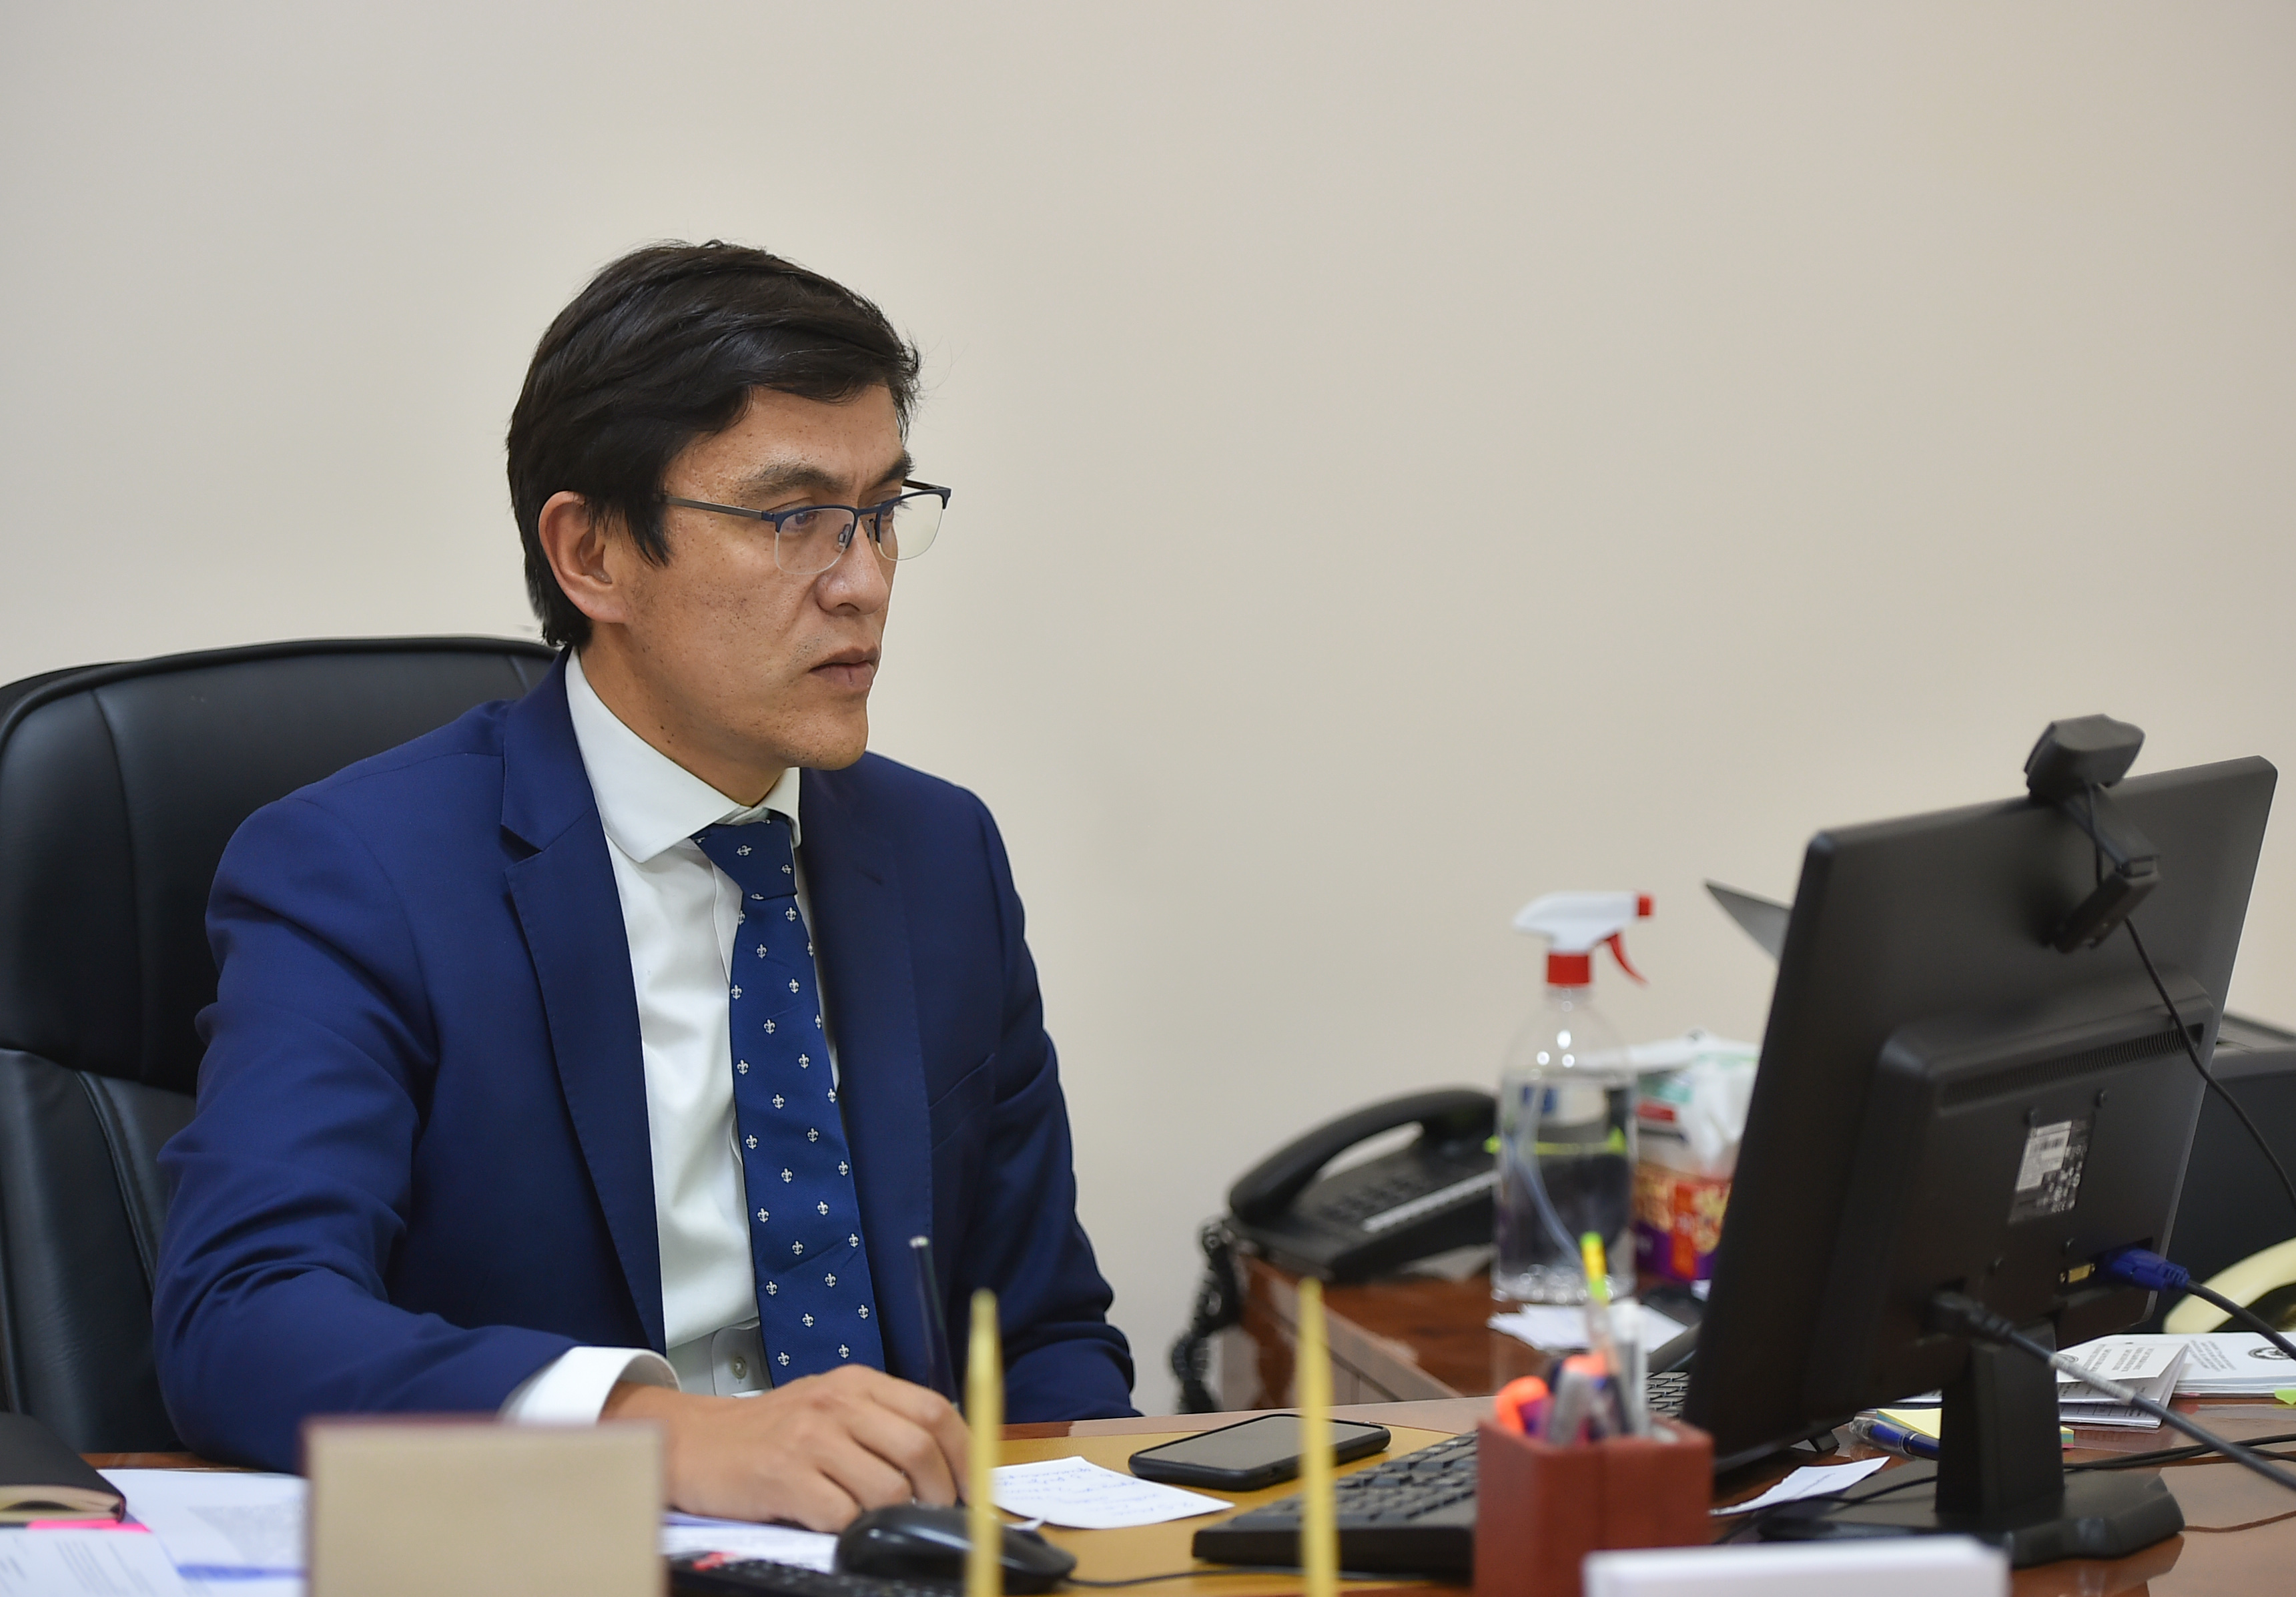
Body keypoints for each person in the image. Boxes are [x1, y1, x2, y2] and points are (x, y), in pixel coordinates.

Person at [153, 241, 1134, 1528]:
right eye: (791, 518)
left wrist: (1085, 1532)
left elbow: (1042, 1331)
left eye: (883, 511)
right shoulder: (361, 871)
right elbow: (244, 1312)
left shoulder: (939, 852)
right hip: (569, 1548)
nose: (862, 581)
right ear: (594, 555)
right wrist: (662, 1438)